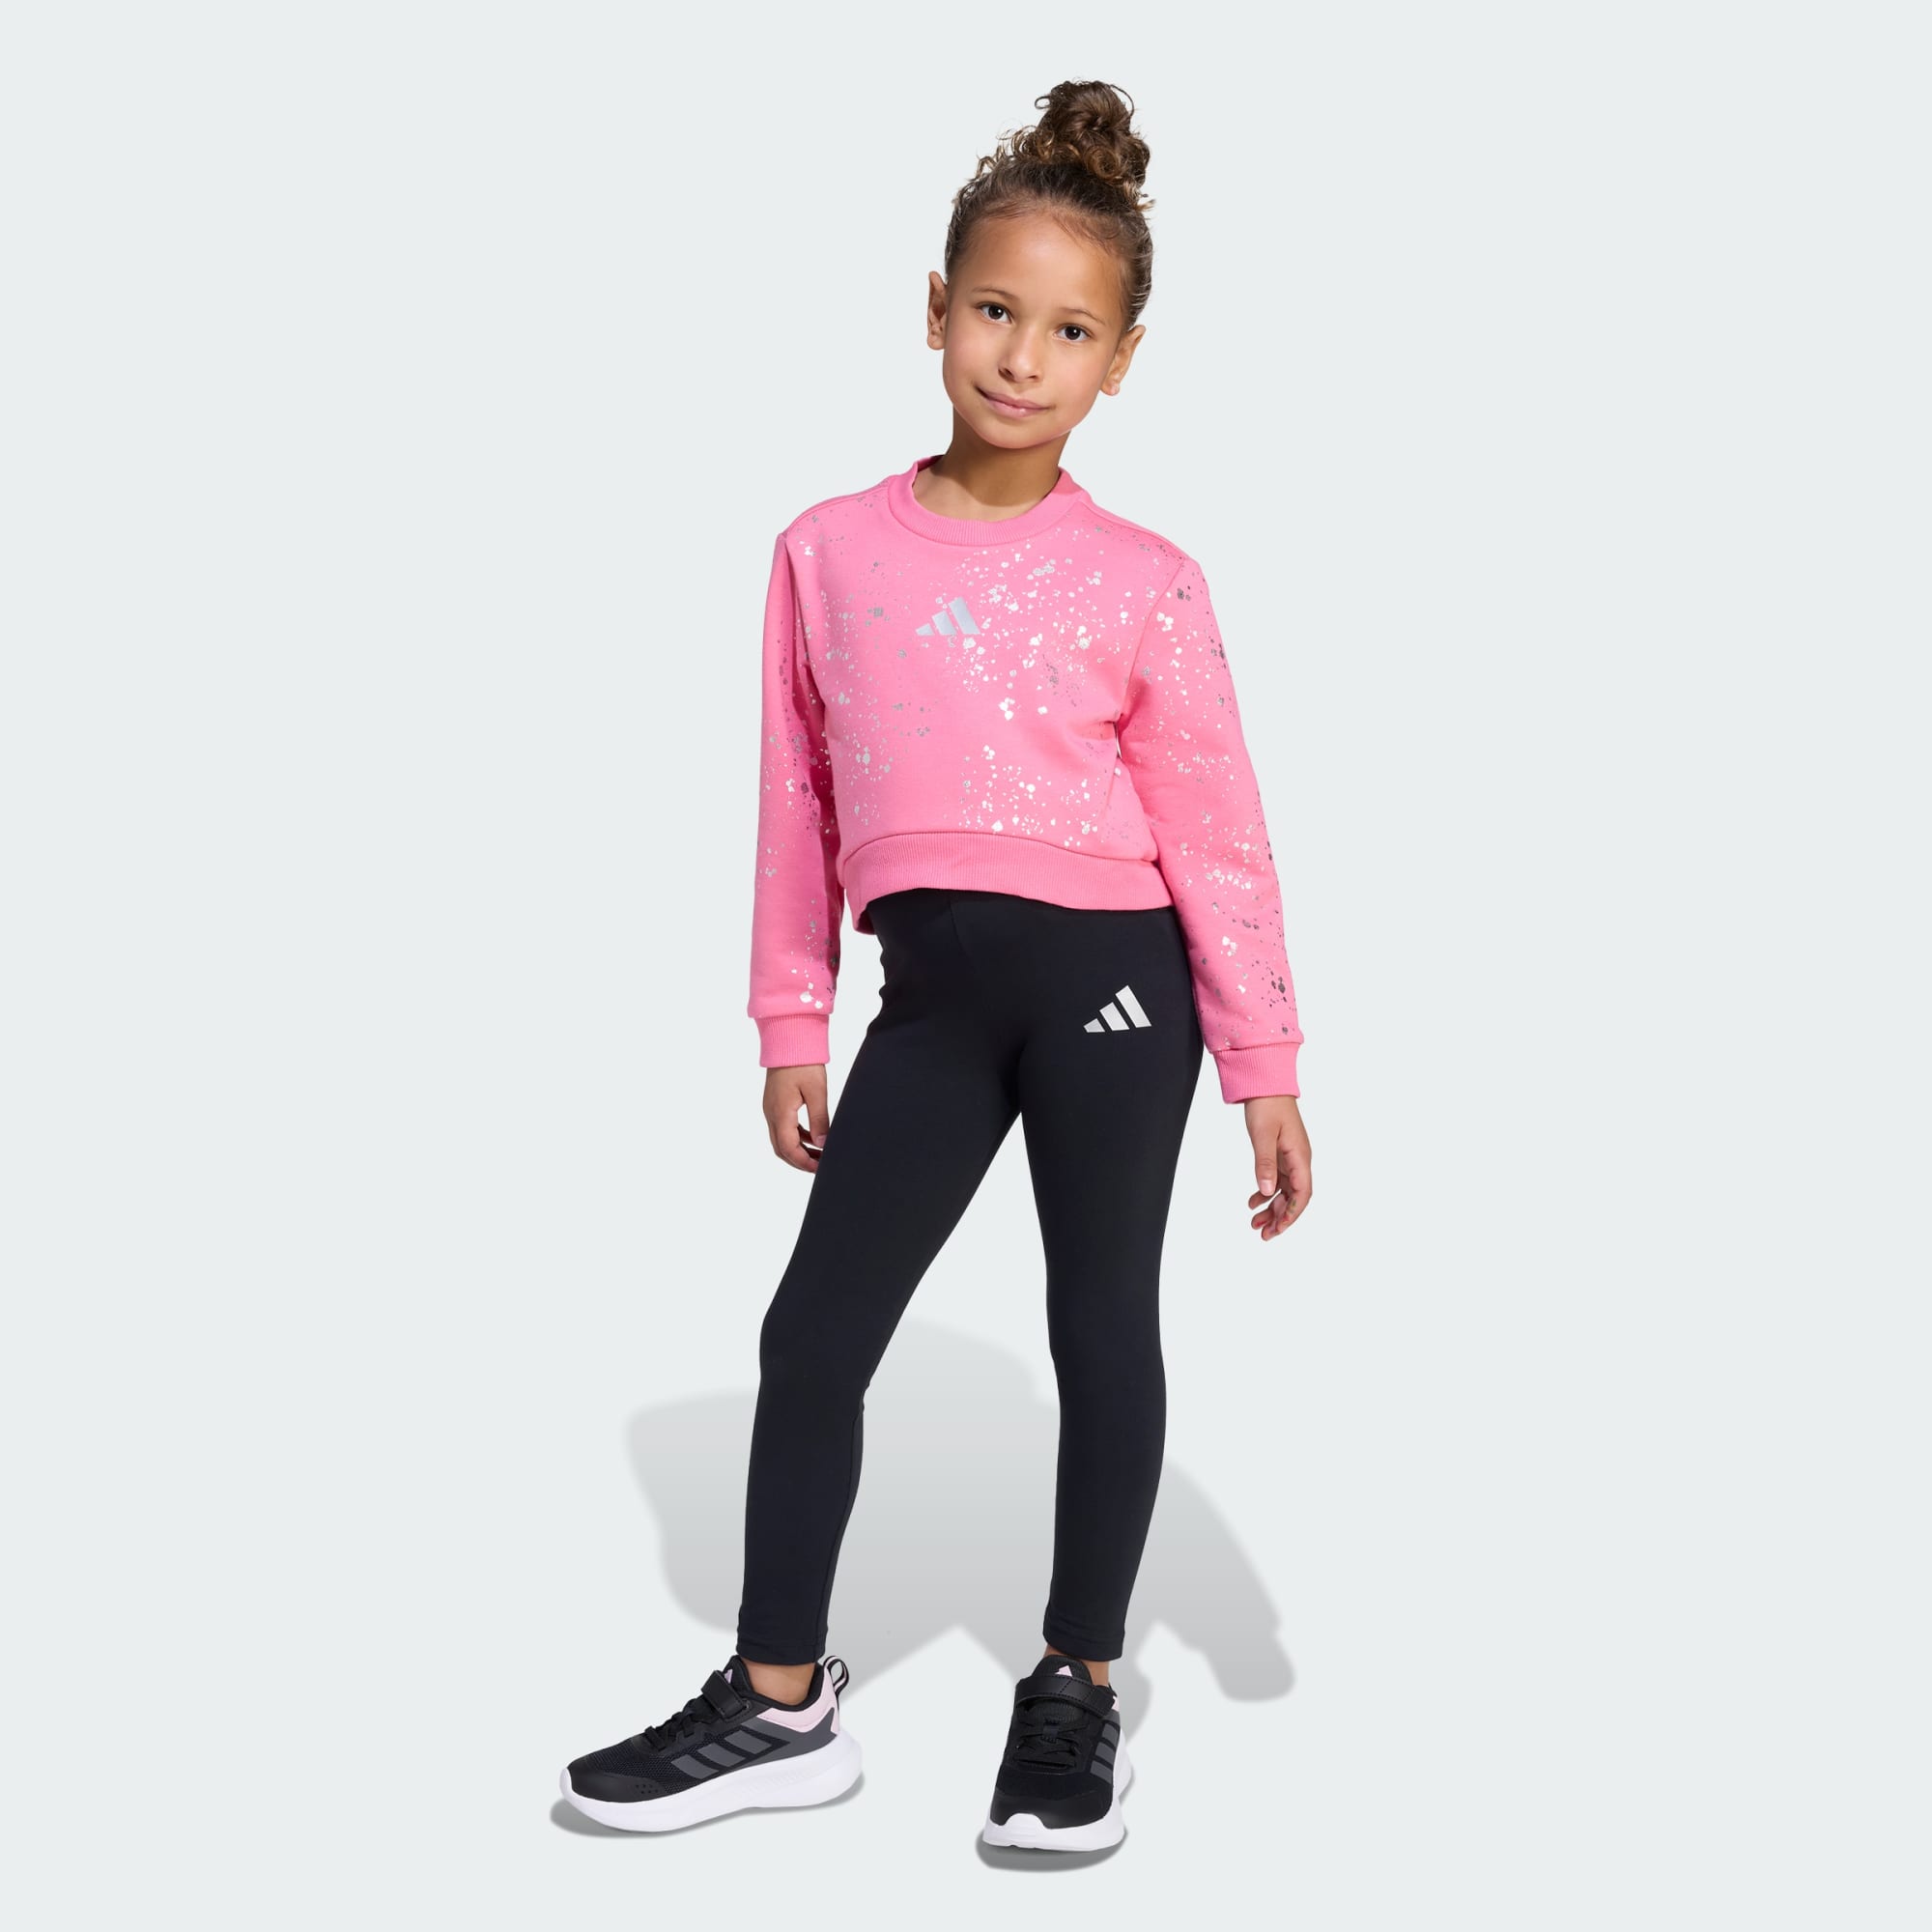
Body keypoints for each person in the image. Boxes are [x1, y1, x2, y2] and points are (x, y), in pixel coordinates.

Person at [559, 77, 1314, 1853]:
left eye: (1070, 330)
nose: (1022, 357)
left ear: (1121, 360)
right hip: (933, 1006)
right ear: (932, 308)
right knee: (815, 1332)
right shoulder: (826, 552)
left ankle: (1077, 1686)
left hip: (1117, 991)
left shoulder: (1145, 578)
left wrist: (1267, 1067)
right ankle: (779, 1703)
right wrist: (790, 1015)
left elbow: (1218, 832)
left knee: (1097, 1323)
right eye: (993, 310)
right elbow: (794, 798)